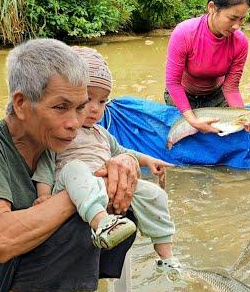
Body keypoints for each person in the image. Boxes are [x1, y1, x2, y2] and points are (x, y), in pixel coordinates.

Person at [0, 38, 140, 292]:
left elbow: (115, 152)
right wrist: (79, 195)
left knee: (122, 211)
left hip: (20, 270)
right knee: (84, 216)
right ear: (21, 104)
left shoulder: (58, 140)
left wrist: (126, 163)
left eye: (81, 107)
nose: (74, 123)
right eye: (60, 107)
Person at [32, 46, 180, 272]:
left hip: (105, 184)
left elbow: (122, 152)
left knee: (155, 194)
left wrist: (149, 160)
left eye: (102, 102)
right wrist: (43, 195)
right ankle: (101, 223)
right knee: (75, 167)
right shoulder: (62, 131)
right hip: (72, 185)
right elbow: (46, 162)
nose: (94, 108)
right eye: (88, 99)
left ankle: (166, 256)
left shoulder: (102, 134)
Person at [164, 0, 250, 135]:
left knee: (231, 135)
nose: (237, 26)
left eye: (242, 19)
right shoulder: (184, 33)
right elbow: (173, 83)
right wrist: (192, 119)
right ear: (212, 7)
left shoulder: (240, 42)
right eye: (232, 18)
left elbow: (231, 87)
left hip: (216, 96)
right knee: (180, 133)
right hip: (183, 95)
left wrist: (245, 118)